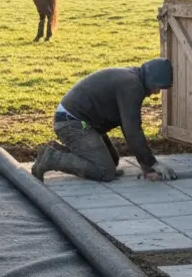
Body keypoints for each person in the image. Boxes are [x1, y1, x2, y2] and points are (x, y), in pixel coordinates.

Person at [31, 58, 177, 183]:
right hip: (73, 122)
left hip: (81, 122)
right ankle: (52, 158)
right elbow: (132, 130)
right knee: (105, 171)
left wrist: (147, 167)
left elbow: (129, 127)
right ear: (152, 80)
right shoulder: (132, 87)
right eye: (158, 87)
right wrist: (152, 163)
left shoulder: (132, 79)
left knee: (112, 161)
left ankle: (54, 150)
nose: (157, 92)